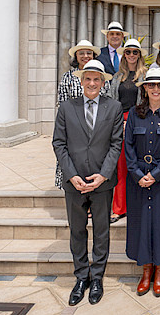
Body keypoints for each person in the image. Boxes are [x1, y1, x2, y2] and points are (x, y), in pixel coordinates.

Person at [52, 59, 123, 306]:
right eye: (88, 79)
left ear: (103, 83)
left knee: (102, 232)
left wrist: (103, 174)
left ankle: (98, 278)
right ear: (81, 82)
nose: (92, 83)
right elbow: (58, 143)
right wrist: (71, 175)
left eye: (97, 79)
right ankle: (81, 277)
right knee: (77, 231)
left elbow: (116, 144)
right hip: (75, 182)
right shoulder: (66, 108)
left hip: (102, 182)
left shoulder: (113, 107)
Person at [124, 68, 160, 298]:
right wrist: (138, 174)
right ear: (144, 88)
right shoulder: (134, 113)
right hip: (137, 179)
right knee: (141, 223)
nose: (156, 89)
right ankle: (146, 271)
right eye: (151, 85)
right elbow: (128, 146)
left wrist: (156, 174)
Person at [55, 40, 110, 190]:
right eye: (82, 53)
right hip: (74, 130)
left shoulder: (103, 77)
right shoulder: (67, 77)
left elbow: (108, 103)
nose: (86, 56)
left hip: (97, 130)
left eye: (89, 53)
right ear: (76, 56)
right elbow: (62, 103)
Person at [109, 39, 148, 223]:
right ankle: (119, 208)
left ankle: (138, 206)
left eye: (135, 52)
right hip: (120, 124)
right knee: (122, 166)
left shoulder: (146, 75)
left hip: (140, 122)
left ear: (139, 54)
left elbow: (149, 101)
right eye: (128, 52)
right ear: (123, 54)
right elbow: (111, 102)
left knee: (139, 165)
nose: (131, 55)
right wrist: (119, 122)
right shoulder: (117, 77)